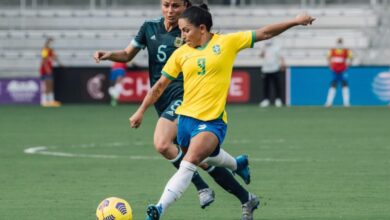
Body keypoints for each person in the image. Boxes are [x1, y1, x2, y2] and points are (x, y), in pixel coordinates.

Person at [129, 4, 315, 220]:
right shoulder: (180, 54)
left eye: (186, 30)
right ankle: (238, 167)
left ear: (202, 28)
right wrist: (141, 110)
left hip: (212, 121)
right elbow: (159, 85)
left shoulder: (226, 43)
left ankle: (159, 208)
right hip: (186, 120)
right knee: (206, 158)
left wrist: (295, 21)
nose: (182, 35)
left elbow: (264, 33)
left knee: (189, 163)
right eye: (180, 30)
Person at [94, 1, 260, 219]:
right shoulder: (149, 28)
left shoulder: (191, 34)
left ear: (185, 8)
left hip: (184, 98)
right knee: (201, 156)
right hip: (162, 98)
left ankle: (196, 190)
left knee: (164, 144)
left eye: (175, 6)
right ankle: (242, 188)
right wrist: (109, 55)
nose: (170, 11)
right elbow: (127, 55)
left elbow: (212, 46)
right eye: (166, 5)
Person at [325, 37, 353, 107]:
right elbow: (328, 57)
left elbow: (351, 57)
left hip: (343, 71)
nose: (339, 44)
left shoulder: (346, 51)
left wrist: (348, 65)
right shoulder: (332, 51)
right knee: (333, 85)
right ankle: (329, 103)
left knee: (345, 85)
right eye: (338, 42)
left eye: (340, 42)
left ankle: (346, 103)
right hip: (335, 71)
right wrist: (330, 65)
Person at [259, 40, 285, 107]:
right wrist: (263, 49)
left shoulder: (276, 47)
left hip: (275, 68)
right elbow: (261, 56)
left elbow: (281, 56)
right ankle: (266, 100)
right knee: (266, 86)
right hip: (265, 69)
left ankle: (278, 100)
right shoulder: (263, 47)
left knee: (277, 85)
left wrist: (282, 64)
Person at [40, 37, 62, 107]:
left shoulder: (51, 51)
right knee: (47, 86)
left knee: (51, 85)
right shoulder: (45, 50)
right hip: (45, 70)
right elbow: (44, 61)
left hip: (49, 69)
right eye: (50, 42)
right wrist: (47, 69)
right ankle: (44, 101)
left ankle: (50, 101)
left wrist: (60, 64)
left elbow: (55, 58)